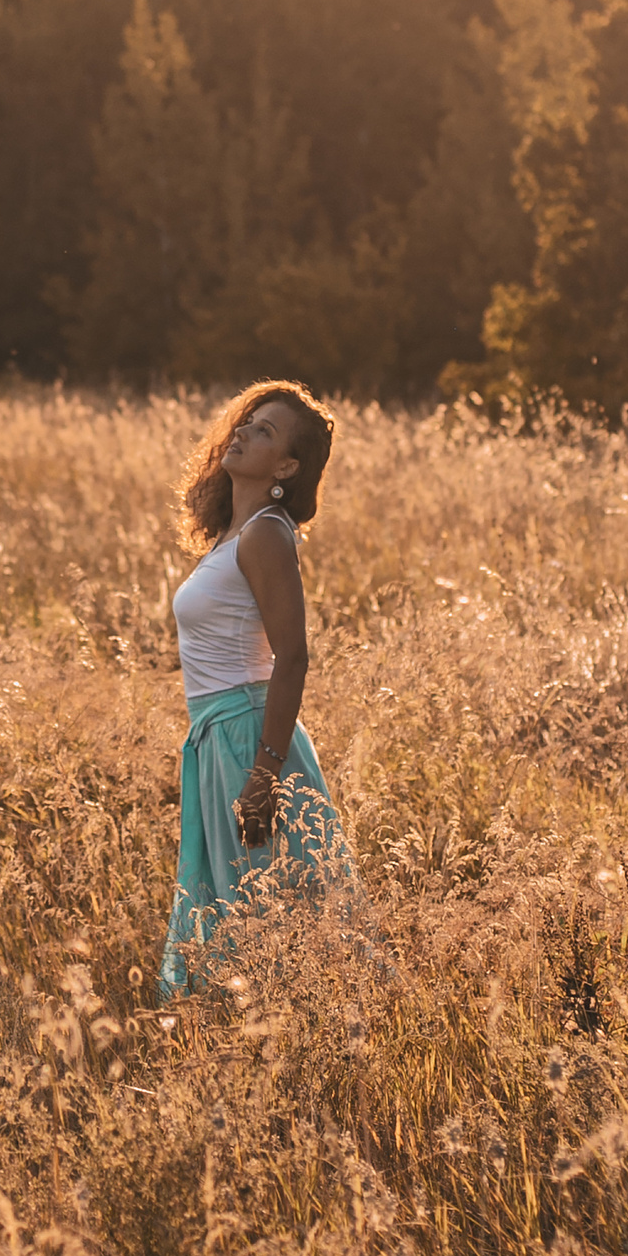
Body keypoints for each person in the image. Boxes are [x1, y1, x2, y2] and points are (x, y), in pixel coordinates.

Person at [159, 381, 356, 998]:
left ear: (288, 467)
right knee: (240, 912)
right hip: (217, 740)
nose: (242, 432)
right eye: (248, 421)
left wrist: (266, 772)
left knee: (272, 915)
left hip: (249, 736)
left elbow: (292, 657)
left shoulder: (267, 533)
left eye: (264, 431)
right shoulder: (235, 535)